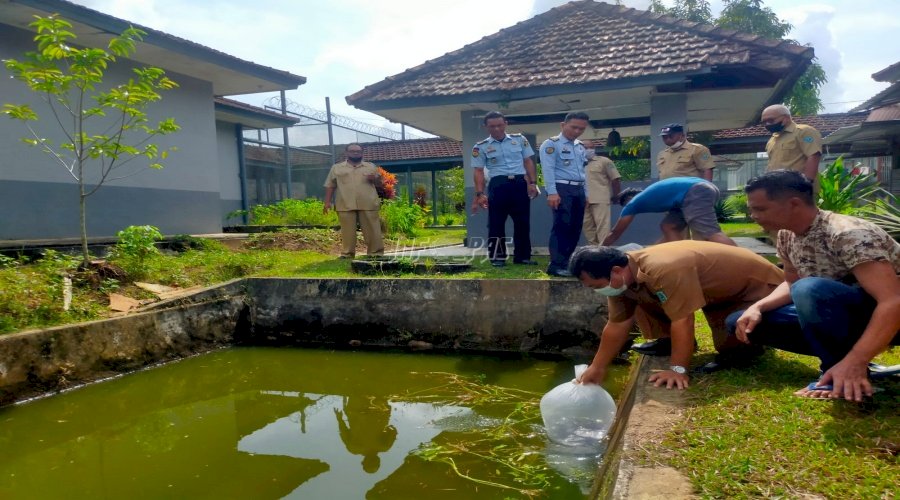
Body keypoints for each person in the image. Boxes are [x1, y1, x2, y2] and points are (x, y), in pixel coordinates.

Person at [727, 170, 900, 401]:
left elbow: (893, 300)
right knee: (742, 323)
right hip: (847, 315)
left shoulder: (848, 233)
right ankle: (845, 364)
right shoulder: (786, 235)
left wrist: (856, 361)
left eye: (760, 209)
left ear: (794, 204)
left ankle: (841, 371)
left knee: (809, 289)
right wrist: (757, 307)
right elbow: (792, 283)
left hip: (890, 316)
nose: (752, 215)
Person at [569, 243, 785, 389]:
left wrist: (678, 369)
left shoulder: (662, 269)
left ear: (616, 270)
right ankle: (669, 342)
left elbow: (683, 318)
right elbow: (617, 324)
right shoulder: (623, 279)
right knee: (640, 296)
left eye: (597, 286)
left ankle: (753, 342)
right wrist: (597, 368)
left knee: (735, 349)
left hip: (754, 290)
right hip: (715, 295)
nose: (598, 291)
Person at [471, 111, 539, 267]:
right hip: (498, 185)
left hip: (519, 184)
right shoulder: (480, 147)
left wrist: (533, 182)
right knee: (496, 223)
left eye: (499, 125)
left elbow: (528, 161)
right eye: (492, 126)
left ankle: (522, 257)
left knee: (522, 222)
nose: (496, 129)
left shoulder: (519, 140)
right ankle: (497, 257)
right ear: (485, 127)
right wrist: (479, 193)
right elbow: (478, 171)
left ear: (506, 124)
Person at [601, 177, 736, 247]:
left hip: (695, 192)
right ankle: (680, 254)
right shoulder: (654, 195)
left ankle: (745, 259)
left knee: (709, 232)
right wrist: (649, 253)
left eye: (623, 205)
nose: (626, 209)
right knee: (668, 226)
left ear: (629, 198)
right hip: (696, 191)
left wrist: (599, 249)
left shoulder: (633, 203)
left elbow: (615, 233)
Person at [540, 112, 591, 276]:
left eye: (581, 129)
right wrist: (552, 192)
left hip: (578, 189)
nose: (577, 131)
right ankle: (556, 264)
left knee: (575, 227)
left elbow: (583, 172)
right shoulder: (551, 144)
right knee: (562, 225)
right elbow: (548, 170)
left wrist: (586, 193)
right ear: (563, 125)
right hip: (561, 188)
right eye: (574, 127)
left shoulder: (580, 146)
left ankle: (568, 262)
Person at [323, 143, 384, 259]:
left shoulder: (370, 167)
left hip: (368, 203)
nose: (355, 153)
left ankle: (375, 253)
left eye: (358, 151)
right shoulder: (336, 168)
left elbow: (380, 184)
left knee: (373, 229)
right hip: (345, 202)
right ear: (347, 153)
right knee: (347, 231)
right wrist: (327, 202)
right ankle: (347, 254)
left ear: (362, 153)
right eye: (352, 151)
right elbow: (330, 185)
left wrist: (375, 179)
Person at [760, 104, 822, 180]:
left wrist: (806, 183)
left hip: (797, 188)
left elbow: (814, 156)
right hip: (776, 188)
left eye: (771, 120)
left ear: (786, 117)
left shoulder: (804, 131)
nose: (767, 124)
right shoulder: (772, 139)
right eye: (764, 122)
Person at [582, 147, 622, 245]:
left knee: (603, 227)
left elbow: (615, 179)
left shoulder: (604, 161)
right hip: (582, 201)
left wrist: (617, 195)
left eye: (590, 147)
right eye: (585, 147)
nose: (588, 149)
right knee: (587, 228)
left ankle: (604, 251)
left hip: (600, 199)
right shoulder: (577, 162)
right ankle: (594, 251)